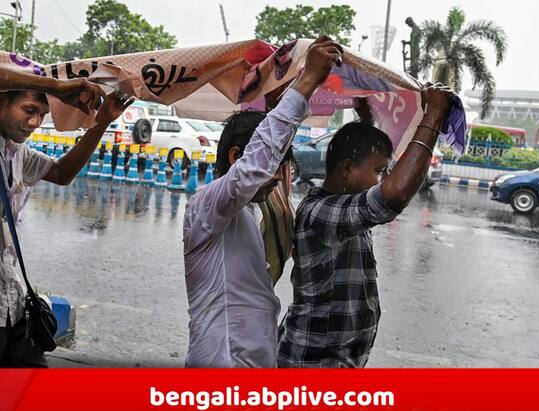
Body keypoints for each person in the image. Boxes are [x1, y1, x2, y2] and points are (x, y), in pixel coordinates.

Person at [0, 58, 132, 367]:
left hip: (11, 309)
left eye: (42, 115)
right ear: (0, 99)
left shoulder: (17, 151)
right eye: (29, 110)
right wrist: (55, 86)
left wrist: (101, 122)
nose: (35, 123)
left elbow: (62, 173)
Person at [182, 36, 343, 368]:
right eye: (276, 168)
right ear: (235, 157)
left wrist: (278, 91)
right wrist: (307, 80)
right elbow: (255, 166)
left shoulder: (254, 212)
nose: (278, 179)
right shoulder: (206, 206)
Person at [277, 83, 453, 368]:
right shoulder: (321, 213)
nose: (383, 179)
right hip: (311, 364)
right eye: (379, 171)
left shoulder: (344, 201)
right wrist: (432, 115)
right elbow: (394, 196)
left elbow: (369, 177)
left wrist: (365, 118)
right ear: (346, 170)